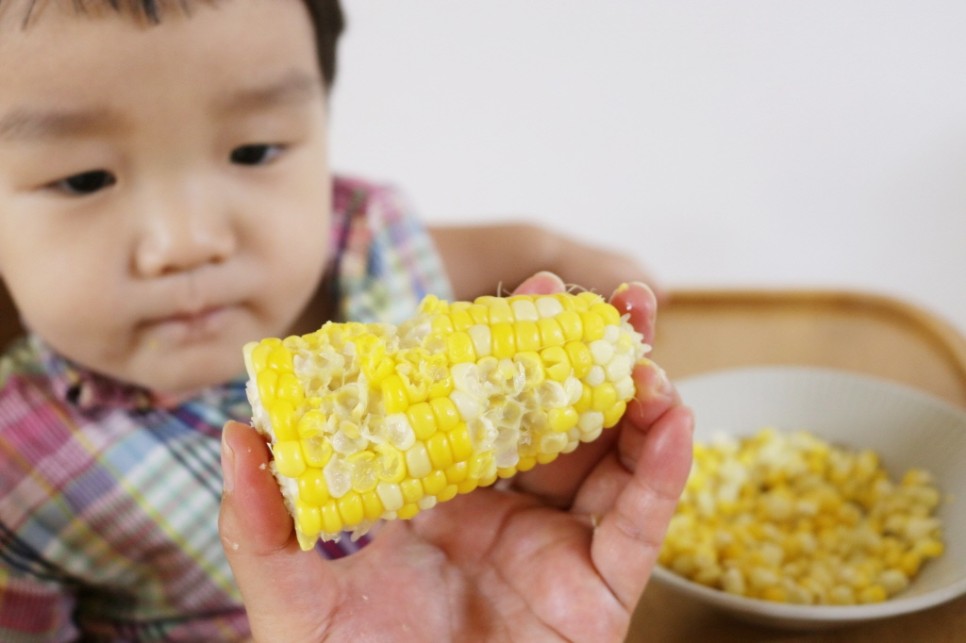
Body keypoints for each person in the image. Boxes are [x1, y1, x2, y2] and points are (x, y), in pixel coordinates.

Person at [0, 1, 691, 641]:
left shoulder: (367, 240)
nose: (190, 240)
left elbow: (516, 251)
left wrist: (576, 265)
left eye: (254, 151)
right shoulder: (16, 475)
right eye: (84, 178)